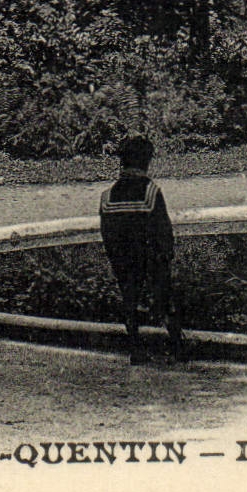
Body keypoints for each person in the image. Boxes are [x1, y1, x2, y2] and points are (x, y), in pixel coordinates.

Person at [99, 135, 184, 363]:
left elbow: (107, 234)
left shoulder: (107, 197)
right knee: (164, 299)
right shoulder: (151, 192)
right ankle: (178, 347)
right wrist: (165, 256)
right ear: (146, 161)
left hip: (123, 259)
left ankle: (135, 348)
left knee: (130, 300)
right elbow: (163, 230)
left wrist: (115, 258)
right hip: (151, 258)